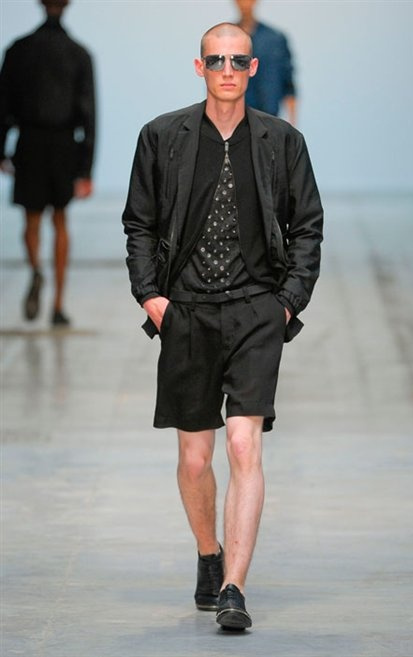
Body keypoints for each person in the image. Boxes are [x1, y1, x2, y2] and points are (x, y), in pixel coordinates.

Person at [122, 22, 323, 631]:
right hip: (185, 310)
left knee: (242, 444)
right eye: (217, 60)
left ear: (253, 68)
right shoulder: (162, 137)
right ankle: (208, 554)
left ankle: (234, 587)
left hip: (256, 310)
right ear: (199, 67)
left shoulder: (282, 141)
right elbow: (139, 224)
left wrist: (285, 304)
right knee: (194, 458)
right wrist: (152, 298)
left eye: (238, 61)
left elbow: (307, 226)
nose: (228, 70)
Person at [0, 0, 95, 327]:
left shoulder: (18, 50)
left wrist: (1, 150)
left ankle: (37, 271)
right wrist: (86, 169)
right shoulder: (78, 53)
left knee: (31, 220)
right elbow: (89, 114)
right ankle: (57, 305)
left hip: (30, 141)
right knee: (60, 220)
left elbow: (3, 105)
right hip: (64, 143)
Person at [234, 0, 297, 124]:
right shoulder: (225, 39)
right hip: (235, 121)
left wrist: (292, 124)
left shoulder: (275, 39)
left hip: (270, 119)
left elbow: (288, 83)